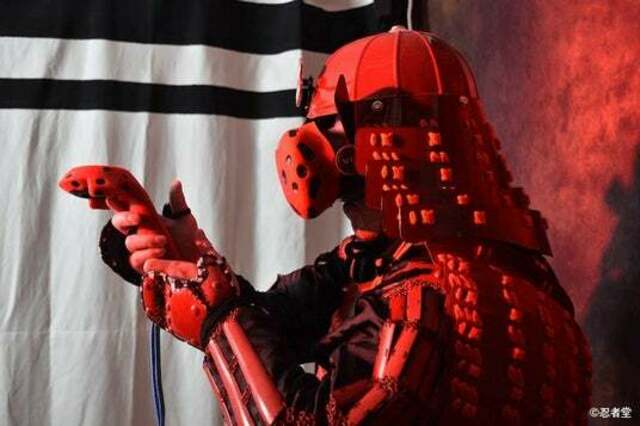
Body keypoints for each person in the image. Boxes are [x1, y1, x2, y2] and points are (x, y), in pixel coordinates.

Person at [100, 28, 592, 425]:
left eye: (329, 123)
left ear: (389, 135)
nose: (306, 141)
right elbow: (272, 323)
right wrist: (192, 261)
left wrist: (217, 318)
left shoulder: (423, 298)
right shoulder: (480, 268)